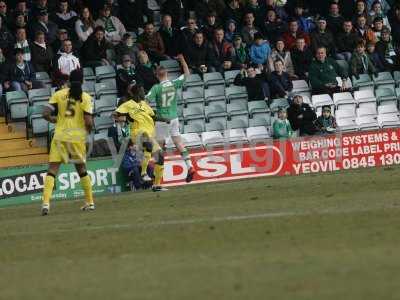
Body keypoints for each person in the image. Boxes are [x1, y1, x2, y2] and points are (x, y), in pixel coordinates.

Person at [41, 69, 94, 215]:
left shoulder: (59, 94)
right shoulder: (85, 97)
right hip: (76, 138)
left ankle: (46, 203)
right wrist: (87, 133)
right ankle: (89, 202)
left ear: (69, 81)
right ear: (83, 81)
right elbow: (88, 122)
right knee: (82, 170)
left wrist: (53, 120)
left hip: (59, 136)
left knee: (52, 170)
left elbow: (45, 113)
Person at [146, 56, 196, 183]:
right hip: (174, 118)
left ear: (157, 75)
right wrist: (182, 60)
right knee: (179, 143)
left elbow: (146, 101)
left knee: (158, 147)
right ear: (167, 74)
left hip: (162, 120)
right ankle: (190, 166)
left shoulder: (156, 88)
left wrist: (153, 112)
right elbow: (186, 73)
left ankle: (154, 173)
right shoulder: (174, 83)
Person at [113, 81, 166, 192]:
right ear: (136, 92)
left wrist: (164, 119)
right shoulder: (128, 104)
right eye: (142, 91)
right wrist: (121, 118)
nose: (144, 94)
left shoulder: (144, 104)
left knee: (160, 156)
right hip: (137, 132)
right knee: (146, 140)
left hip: (149, 134)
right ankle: (143, 173)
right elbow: (115, 113)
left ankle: (156, 185)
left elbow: (153, 116)